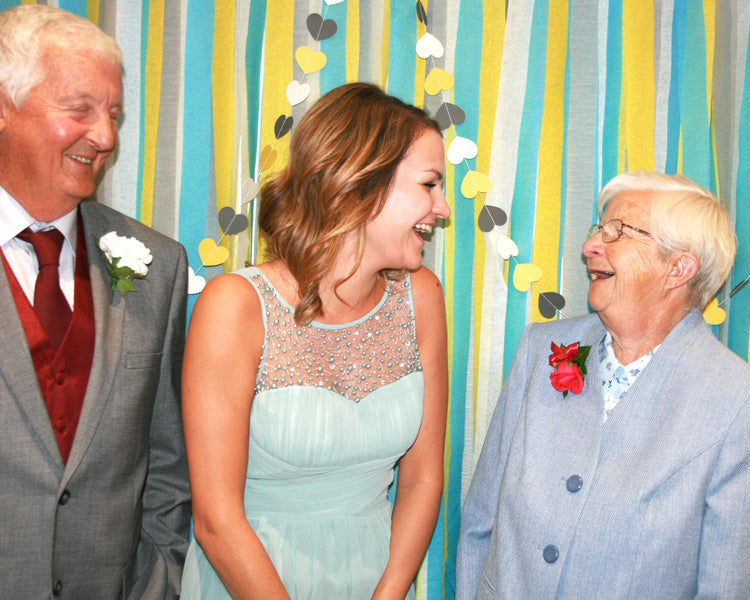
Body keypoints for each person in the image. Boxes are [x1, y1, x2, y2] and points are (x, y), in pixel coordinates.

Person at [180, 82, 450, 599]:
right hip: (250, 581)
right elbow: (215, 519)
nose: (441, 208)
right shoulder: (235, 305)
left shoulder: (422, 297)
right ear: (358, 183)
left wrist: (390, 591)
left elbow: (422, 479)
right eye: (429, 184)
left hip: (374, 578)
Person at [456, 171, 750, 599]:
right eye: (599, 229)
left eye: (618, 233)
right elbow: (481, 520)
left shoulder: (735, 399)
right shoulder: (543, 349)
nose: (590, 246)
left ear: (678, 268)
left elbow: (726, 585)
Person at [0, 5, 190, 599]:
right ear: (5, 106)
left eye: (113, 114)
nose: (105, 136)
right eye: (79, 109)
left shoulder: (157, 266)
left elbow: (166, 468)